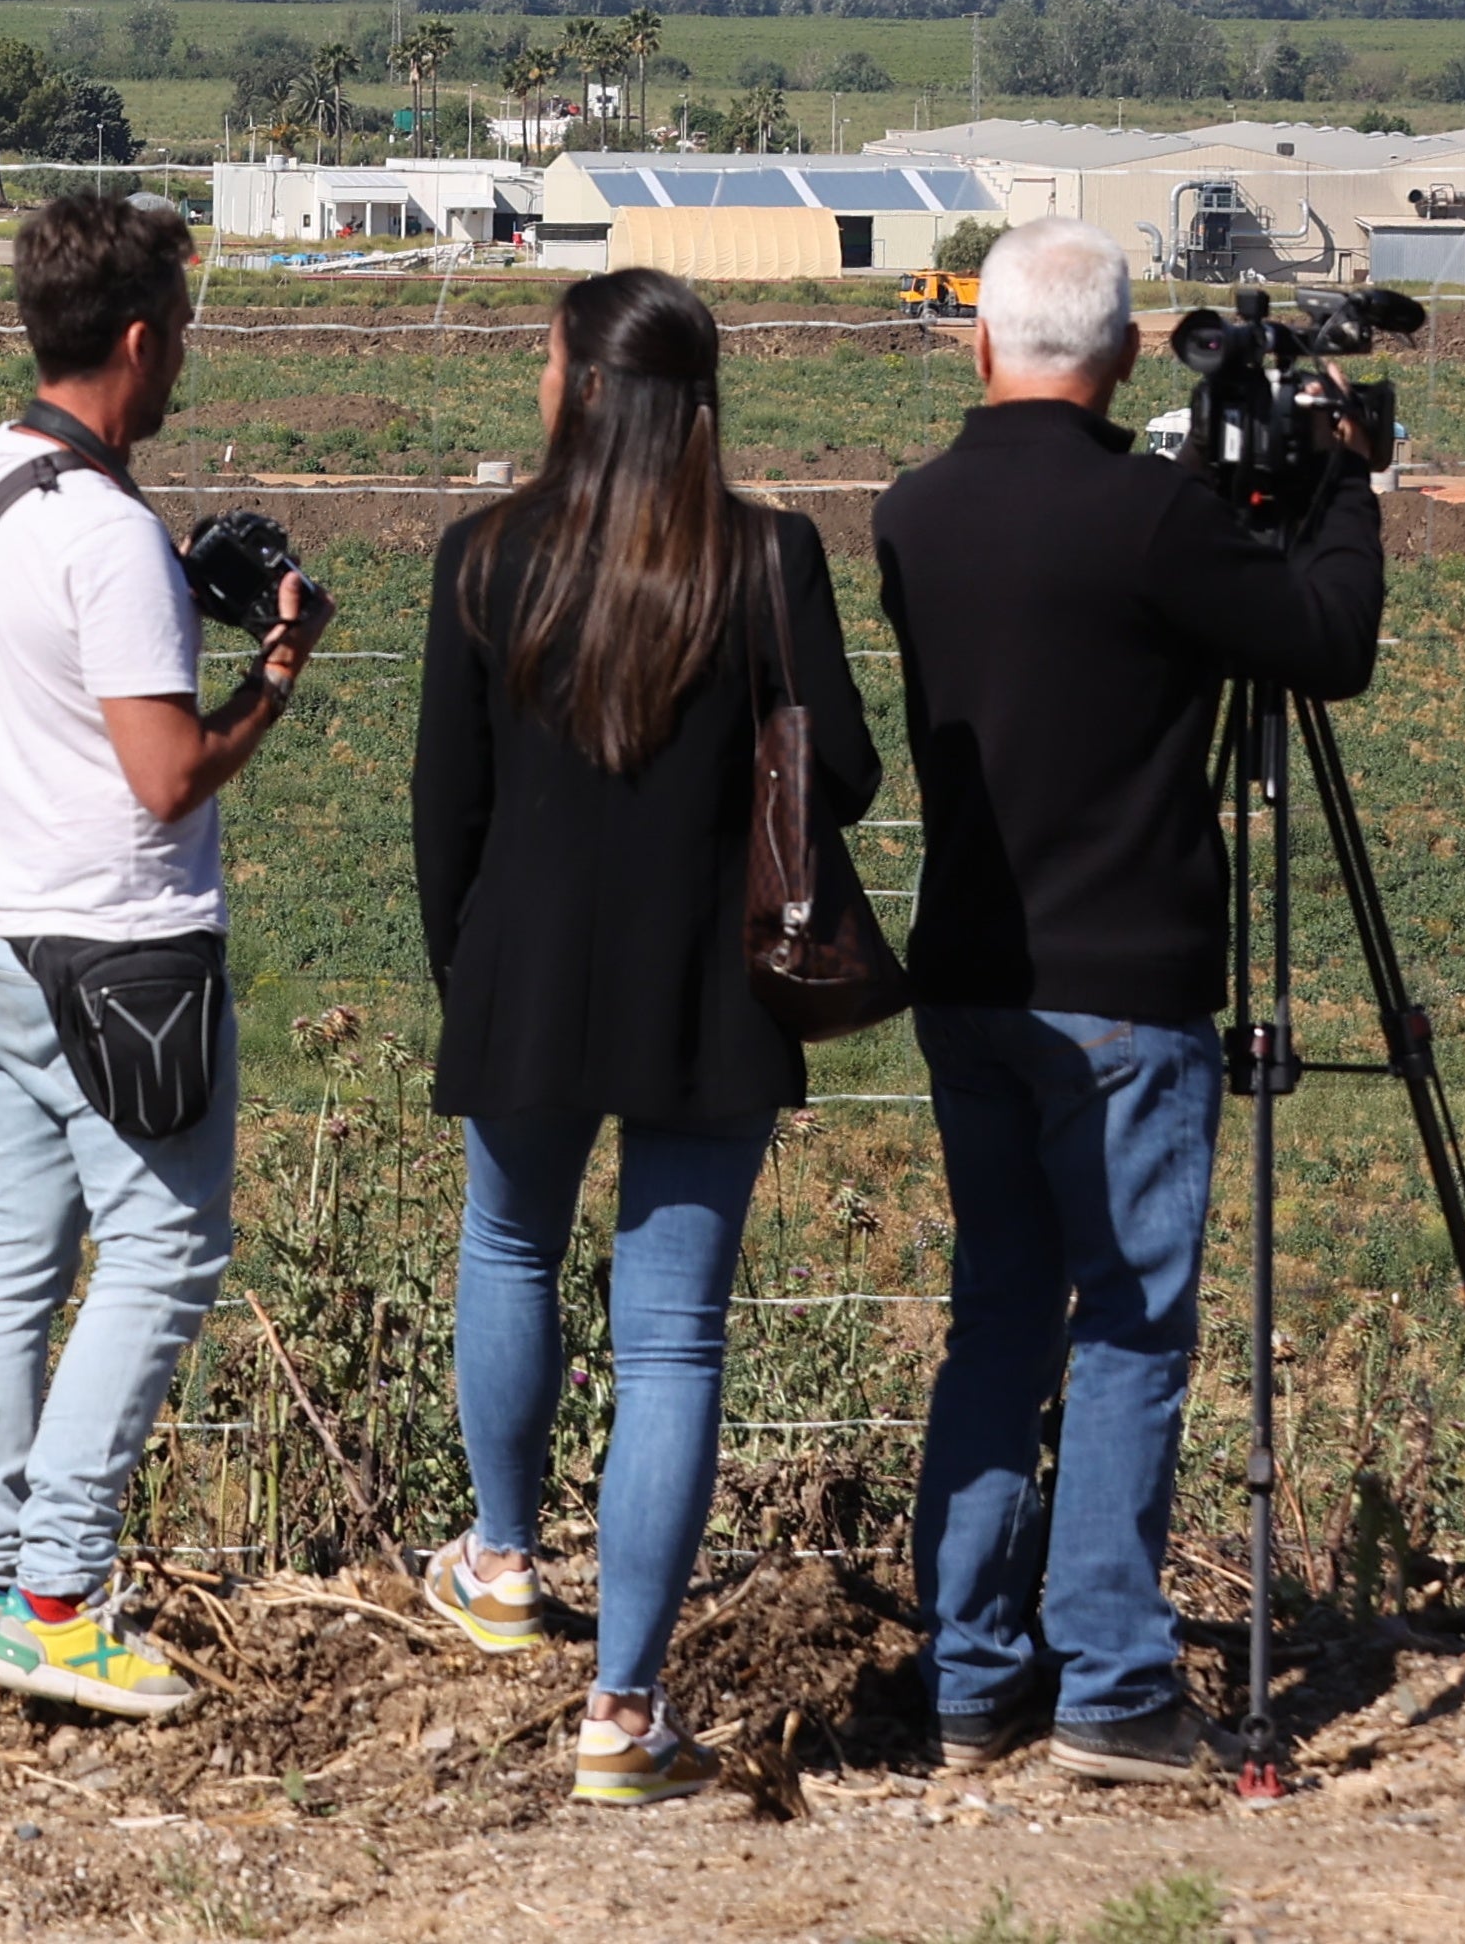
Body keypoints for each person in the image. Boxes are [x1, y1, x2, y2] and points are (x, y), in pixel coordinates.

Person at [876, 213, 1381, 1785]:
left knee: (1000, 1322)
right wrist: (1339, 482)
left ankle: (972, 1673)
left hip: (968, 980)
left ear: (980, 344)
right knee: (1133, 1330)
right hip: (1128, 989)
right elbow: (1323, 645)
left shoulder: (911, 514)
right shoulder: (1151, 519)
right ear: (1112, 363)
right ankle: (1110, 1680)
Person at [411, 271, 880, 1803]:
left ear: (582, 388)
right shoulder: (769, 557)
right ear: (697, 403)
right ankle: (624, 1714)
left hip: (526, 978)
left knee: (509, 1249)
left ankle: (498, 1560)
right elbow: (848, 772)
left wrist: (466, 977)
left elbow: (446, 808)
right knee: (672, 1335)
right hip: (713, 991)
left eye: (546, 362)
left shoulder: (483, 557)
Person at [0, 191, 317, 1721]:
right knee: (163, 1248)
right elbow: (163, 777)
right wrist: (271, 680)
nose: (183, 366)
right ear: (139, 340)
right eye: (183, 339)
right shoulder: (109, 540)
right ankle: (64, 1593)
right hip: (120, 956)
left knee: (16, 1243)